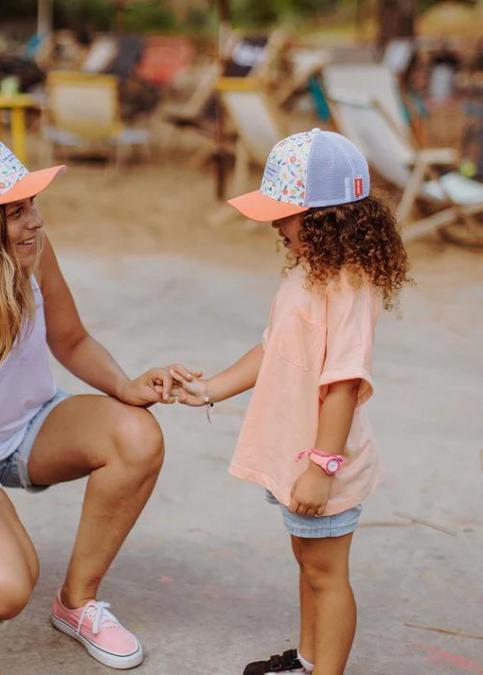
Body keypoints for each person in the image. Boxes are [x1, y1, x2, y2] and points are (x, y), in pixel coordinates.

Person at [0, 136, 177, 674]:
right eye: (16, 211)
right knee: (3, 592)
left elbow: (71, 340)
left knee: (138, 435)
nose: (35, 221)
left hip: (31, 426)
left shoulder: (32, 251)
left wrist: (125, 386)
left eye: (32, 204)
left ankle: (77, 602)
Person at [169, 130, 410, 675]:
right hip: (298, 455)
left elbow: (344, 383)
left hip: (323, 464)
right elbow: (273, 348)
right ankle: (306, 660)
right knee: (309, 567)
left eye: (286, 214)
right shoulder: (311, 273)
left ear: (327, 219)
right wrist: (209, 389)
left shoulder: (348, 284)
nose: (276, 225)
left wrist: (323, 467)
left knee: (327, 575)